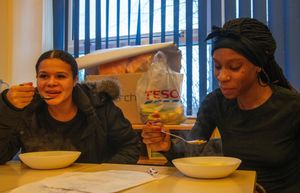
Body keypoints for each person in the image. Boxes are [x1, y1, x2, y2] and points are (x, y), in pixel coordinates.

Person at [141, 18, 300, 193]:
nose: (222, 76)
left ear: (258, 66)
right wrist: (167, 146)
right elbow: (193, 150)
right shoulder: (215, 102)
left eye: (234, 67)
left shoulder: (292, 107)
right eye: (217, 66)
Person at [0, 50, 141, 164]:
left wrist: (103, 174)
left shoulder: (100, 104)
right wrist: (8, 108)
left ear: (75, 80)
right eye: (44, 76)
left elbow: (131, 146)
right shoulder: (26, 108)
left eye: (60, 76)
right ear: (36, 78)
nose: (51, 83)